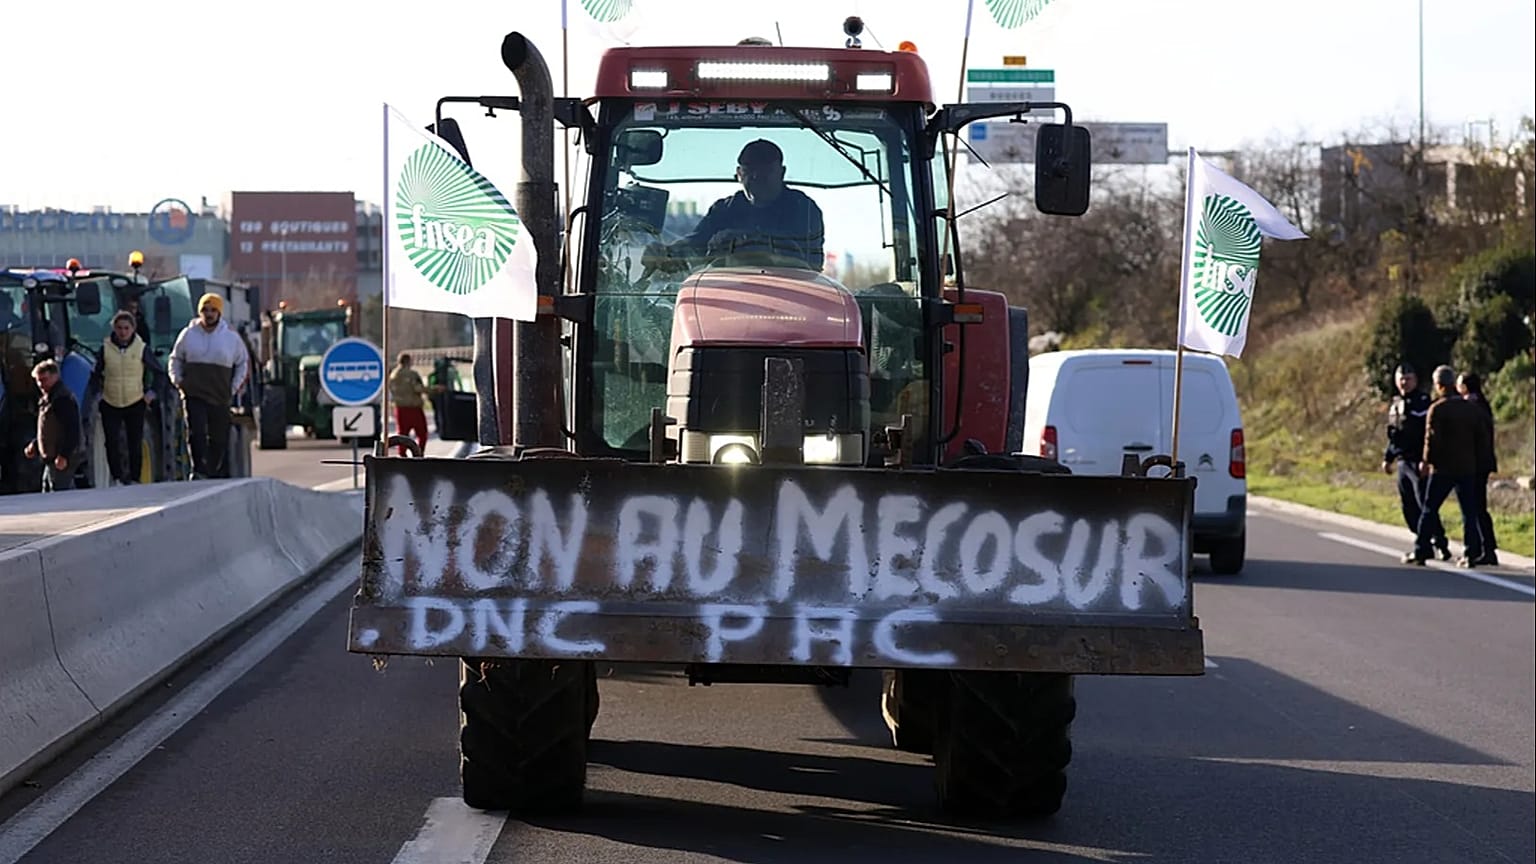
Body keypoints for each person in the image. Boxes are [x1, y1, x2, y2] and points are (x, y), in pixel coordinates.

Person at [643, 139, 825, 271]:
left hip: (794, 292)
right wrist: (666, 252)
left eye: (766, 170)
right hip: (729, 292)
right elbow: (697, 243)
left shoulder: (803, 208)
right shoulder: (724, 210)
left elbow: (804, 256)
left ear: (782, 172)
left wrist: (736, 239)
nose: (756, 177)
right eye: (750, 170)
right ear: (739, 174)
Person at [1404, 365, 1492, 567]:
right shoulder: (1471, 409)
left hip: (1443, 468)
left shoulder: (1437, 408)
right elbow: (1481, 438)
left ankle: (1421, 550)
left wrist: (1426, 462)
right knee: (1469, 512)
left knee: (1429, 509)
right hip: (1467, 467)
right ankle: (1471, 553)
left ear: (1439, 385)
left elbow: (1432, 440)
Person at [169, 293, 249, 480]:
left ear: (219, 313)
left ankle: (214, 470)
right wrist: (178, 381)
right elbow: (175, 359)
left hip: (220, 394)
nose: (209, 314)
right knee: (196, 432)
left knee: (218, 437)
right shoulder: (188, 335)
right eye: (205, 310)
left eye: (213, 310)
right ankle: (198, 470)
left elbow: (242, 363)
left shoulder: (230, 337)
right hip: (193, 393)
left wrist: (233, 387)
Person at [1381, 363, 1450, 560]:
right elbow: (1394, 435)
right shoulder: (1395, 404)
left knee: (1425, 505)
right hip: (1403, 461)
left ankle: (1439, 542)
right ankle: (1423, 540)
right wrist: (1388, 457)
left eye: (1408, 378)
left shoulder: (1422, 402)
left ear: (1415, 380)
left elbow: (1427, 434)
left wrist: (1426, 460)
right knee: (1408, 506)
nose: (1404, 382)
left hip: (1418, 461)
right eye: (1401, 378)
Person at [93, 311, 156, 485]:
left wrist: (150, 394)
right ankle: (117, 477)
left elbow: (159, 373)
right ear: (114, 328)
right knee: (111, 442)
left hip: (135, 400)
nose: (123, 332)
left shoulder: (141, 348)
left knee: (134, 441)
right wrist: (98, 395)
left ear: (133, 329)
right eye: (119, 328)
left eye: (126, 328)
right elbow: (96, 374)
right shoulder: (105, 348)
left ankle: (135, 477)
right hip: (110, 401)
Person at [1457, 371, 1499, 566]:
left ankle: (1482, 549)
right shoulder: (1482, 403)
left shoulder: (1470, 407)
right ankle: (1488, 547)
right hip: (1482, 461)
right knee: (1479, 506)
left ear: (1464, 386)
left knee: (1474, 507)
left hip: (1475, 463)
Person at [23, 359, 83, 492]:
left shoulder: (62, 399)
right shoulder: (47, 399)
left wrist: (64, 455)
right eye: (38, 381)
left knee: (60, 493)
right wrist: (36, 445)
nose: (40, 384)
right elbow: (48, 430)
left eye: (44, 380)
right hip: (52, 458)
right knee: (48, 488)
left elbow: (72, 430)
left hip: (61, 456)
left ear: (55, 376)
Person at [389, 352, 432, 456]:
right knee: (422, 433)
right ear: (408, 361)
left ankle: (402, 454)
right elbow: (418, 388)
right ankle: (419, 453)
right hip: (414, 408)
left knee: (403, 434)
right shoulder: (412, 374)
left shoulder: (393, 375)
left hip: (399, 408)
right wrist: (433, 390)